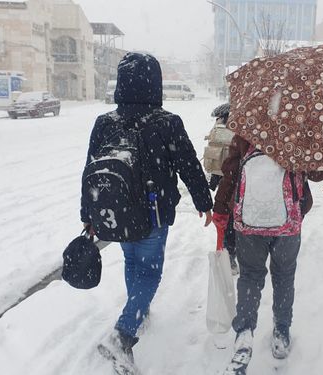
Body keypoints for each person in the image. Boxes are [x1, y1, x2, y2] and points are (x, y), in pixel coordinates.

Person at [80, 52, 213, 374]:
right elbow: (189, 164)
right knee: (150, 271)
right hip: (153, 211)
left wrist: (88, 213)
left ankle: (138, 307)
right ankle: (123, 333)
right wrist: (203, 201)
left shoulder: (105, 122)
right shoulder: (166, 122)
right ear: (156, 84)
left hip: (117, 210)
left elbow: (89, 169)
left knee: (132, 262)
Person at [213, 135, 323, 374]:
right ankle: (281, 333)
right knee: (284, 276)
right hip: (288, 223)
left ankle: (244, 334)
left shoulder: (248, 129)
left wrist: (221, 209)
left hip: (249, 221)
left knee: (250, 276)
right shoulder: (299, 130)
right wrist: (317, 148)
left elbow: (231, 171)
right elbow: (318, 175)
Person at [203, 102, 238, 273]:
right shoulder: (240, 136)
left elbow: (215, 168)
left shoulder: (220, 135)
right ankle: (229, 257)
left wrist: (212, 184)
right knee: (232, 226)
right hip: (238, 191)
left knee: (223, 226)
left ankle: (225, 257)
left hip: (224, 192)